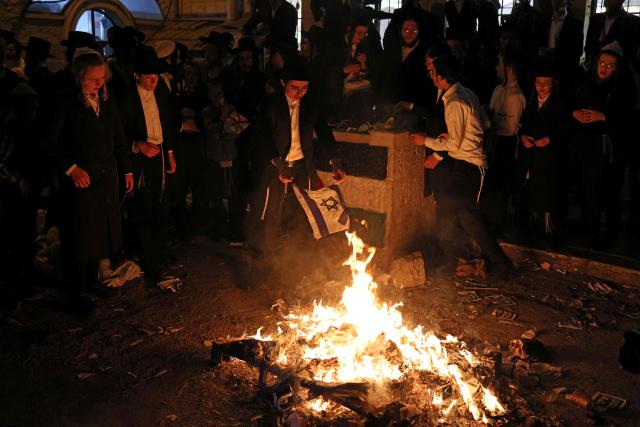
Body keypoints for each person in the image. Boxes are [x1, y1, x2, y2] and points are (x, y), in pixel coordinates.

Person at [42, 48, 133, 314]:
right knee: (80, 236)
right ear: (80, 77)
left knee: (100, 233)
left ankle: (93, 281)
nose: (99, 83)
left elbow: (119, 139)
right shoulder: (64, 103)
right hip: (80, 181)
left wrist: (126, 170)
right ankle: (77, 292)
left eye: (102, 77)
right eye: (94, 79)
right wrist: (71, 169)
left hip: (105, 179)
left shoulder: (107, 100)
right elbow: (47, 143)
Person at [410, 55, 513, 278]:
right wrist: (462, 134)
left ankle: (502, 265)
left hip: (469, 167)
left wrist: (425, 141)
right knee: (450, 215)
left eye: (433, 73)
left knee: (470, 219)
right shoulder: (466, 93)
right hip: (462, 165)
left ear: (441, 77)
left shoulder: (454, 101)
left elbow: (454, 143)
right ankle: (449, 265)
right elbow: (484, 123)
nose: (432, 77)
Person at [250, 55, 345, 259]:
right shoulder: (271, 104)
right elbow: (263, 137)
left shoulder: (310, 104)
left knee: (301, 214)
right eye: (295, 88)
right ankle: (263, 261)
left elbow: (324, 132)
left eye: (304, 88)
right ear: (283, 83)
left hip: (302, 166)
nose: (300, 93)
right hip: (275, 166)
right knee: (270, 212)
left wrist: (335, 162)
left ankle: (294, 262)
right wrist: (279, 166)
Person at [117, 45, 179, 287]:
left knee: (162, 205)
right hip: (139, 158)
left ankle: (160, 253)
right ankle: (150, 259)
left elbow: (167, 123)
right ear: (136, 75)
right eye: (148, 76)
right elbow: (118, 132)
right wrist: (138, 145)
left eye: (155, 75)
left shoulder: (161, 91)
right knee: (143, 207)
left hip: (160, 153)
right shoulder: (125, 97)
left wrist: (170, 153)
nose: (153, 80)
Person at [570, 41, 636, 246]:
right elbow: (573, 105)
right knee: (584, 186)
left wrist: (603, 117)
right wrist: (575, 113)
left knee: (598, 189)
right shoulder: (586, 85)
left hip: (603, 149)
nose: (604, 68)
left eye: (610, 65)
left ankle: (596, 232)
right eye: (602, 62)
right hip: (583, 145)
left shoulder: (622, 90)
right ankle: (585, 226)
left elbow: (627, 120)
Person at [515, 63, 569, 244]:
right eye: (539, 83)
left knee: (547, 195)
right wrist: (523, 137)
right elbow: (521, 127)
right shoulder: (530, 105)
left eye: (546, 83)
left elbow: (565, 131)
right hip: (531, 157)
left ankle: (548, 233)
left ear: (553, 84)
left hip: (548, 160)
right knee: (529, 193)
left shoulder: (559, 106)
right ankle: (529, 229)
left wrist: (550, 139)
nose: (542, 87)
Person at [483, 50, 526, 236]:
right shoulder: (498, 89)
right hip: (494, 142)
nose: (496, 68)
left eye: (500, 64)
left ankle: (499, 223)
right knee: (492, 185)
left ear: (508, 69)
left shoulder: (516, 96)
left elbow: (511, 126)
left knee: (501, 186)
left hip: (506, 144)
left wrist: (494, 120)